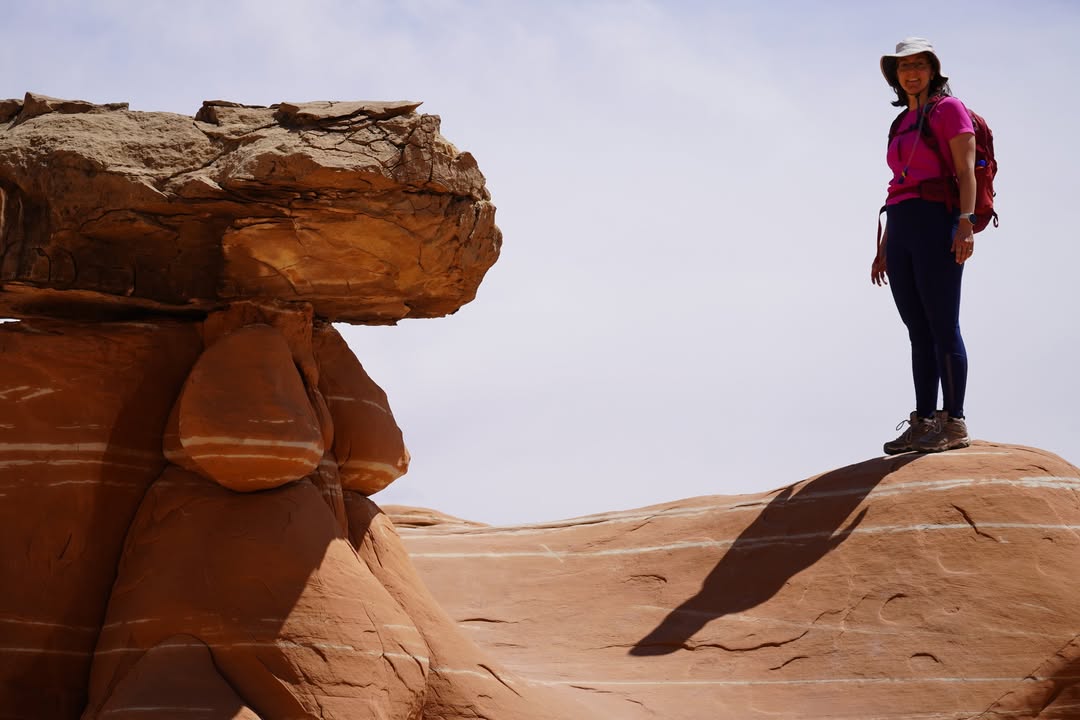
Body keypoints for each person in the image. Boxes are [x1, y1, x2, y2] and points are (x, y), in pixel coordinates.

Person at [871, 38, 976, 454]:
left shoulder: (949, 110)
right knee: (917, 329)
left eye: (919, 65)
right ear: (896, 77)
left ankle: (954, 423)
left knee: (942, 324)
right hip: (901, 224)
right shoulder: (900, 123)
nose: (911, 73)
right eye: (903, 67)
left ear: (933, 70)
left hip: (937, 220)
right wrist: (885, 245)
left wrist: (965, 224)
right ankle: (924, 421)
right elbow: (897, 184)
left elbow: (966, 172)